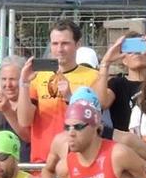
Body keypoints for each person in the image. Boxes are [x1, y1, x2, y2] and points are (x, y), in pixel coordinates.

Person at [17, 20, 102, 166]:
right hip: (43, 161)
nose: (59, 49)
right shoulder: (38, 76)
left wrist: (70, 97)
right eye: (55, 44)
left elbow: (95, 121)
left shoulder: (93, 76)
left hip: (79, 161)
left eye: (65, 43)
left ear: (77, 44)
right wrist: (23, 83)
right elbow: (24, 121)